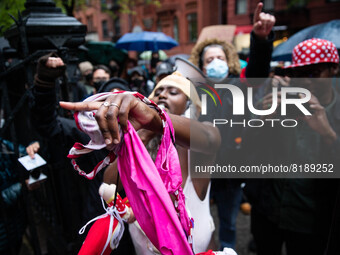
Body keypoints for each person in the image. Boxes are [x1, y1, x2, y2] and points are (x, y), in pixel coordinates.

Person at [59, 72, 222, 254]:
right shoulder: (140, 146)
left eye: (173, 92)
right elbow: (109, 182)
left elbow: (210, 138)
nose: (162, 95)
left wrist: (158, 120)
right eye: (158, 91)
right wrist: (146, 131)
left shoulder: (195, 151)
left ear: (189, 106)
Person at [187, 2, 276, 250]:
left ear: (229, 61)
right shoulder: (193, 92)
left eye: (220, 58)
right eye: (209, 60)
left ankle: (227, 249)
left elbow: (258, 69)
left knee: (228, 222)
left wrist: (260, 38)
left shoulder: (240, 86)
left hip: (231, 171)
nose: (215, 62)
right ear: (202, 67)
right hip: (199, 169)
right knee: (195, 217)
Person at [30, 53, 135, 254]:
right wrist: (44, 83)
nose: (115, 109)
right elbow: (47, 124)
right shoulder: (85, 136)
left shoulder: (146, 138)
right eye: (108, 100)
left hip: (136, 233)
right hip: (95, 225)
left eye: (122, 100)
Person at [243, 38, 340, 255]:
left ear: (334, 69)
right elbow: (247, 147)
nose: (306, 81)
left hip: (311, 221)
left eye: (313, 73)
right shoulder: (282, 104)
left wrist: (328, 134)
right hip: (269, 213)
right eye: (299, 74)